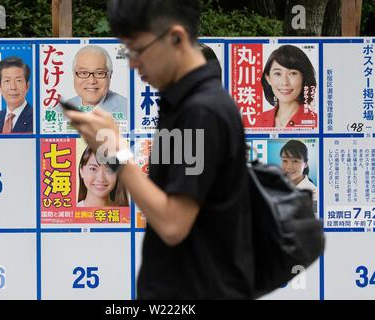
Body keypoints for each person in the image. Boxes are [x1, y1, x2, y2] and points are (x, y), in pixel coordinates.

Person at [64, 0, 254, 299]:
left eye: (139, 51)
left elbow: (173, 223)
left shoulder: (200, 111)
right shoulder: (185, 104)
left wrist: (117, 154)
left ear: (176, 38)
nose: (134, 64)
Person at [259, 45, 317, 128]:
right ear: (268, 78)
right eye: (278, 74)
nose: (285, 82)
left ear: (304, 78)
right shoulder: (256, 121)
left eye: (293, 73)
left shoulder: (317, 123)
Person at [68, 45, 127, 120]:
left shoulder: (130, 110)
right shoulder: (59, 111)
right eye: (83, 73)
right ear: (74, 74)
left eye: (99, 73)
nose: (91, 81)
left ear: (110, 75)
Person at [0, 56, 33, 134]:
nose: (13, 87)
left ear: (27, 86)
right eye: (7, 81)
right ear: (0, 87)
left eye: (18, 80)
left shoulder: (37, 118)